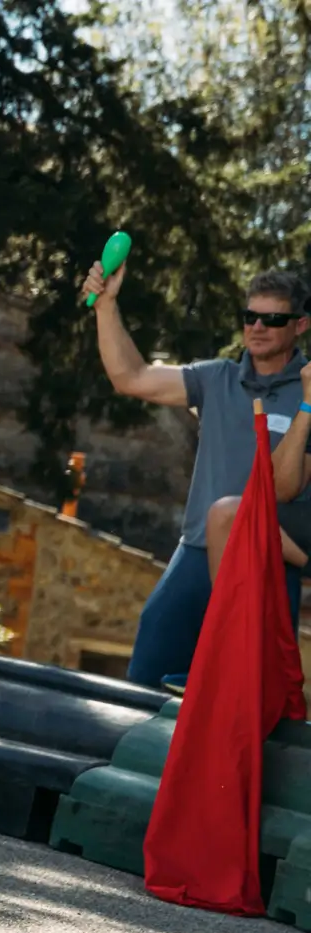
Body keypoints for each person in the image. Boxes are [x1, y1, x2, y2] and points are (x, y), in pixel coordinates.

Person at [81, 264, 311, 691]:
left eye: (273, 319)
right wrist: (106, 306)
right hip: (196, 551)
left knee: (246, 699)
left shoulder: (309, 390)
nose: (258, 327)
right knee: (148, 675)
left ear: (300, 325)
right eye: (250, 317)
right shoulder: (216, 377)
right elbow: (130, 377)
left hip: (265, 557)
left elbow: (291, 489)